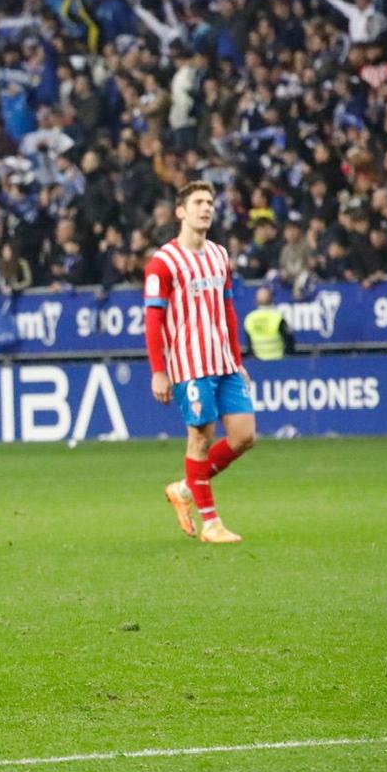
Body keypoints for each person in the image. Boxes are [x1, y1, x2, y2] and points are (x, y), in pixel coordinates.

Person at [149, 181, 256, 544]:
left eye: (209, 202)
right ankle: (212, 524)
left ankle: (185, 488)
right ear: (181, 211)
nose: (206, 208)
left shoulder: (219, 255)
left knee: (244, 435)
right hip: (189, 365)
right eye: (197, 202)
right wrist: (159, 370)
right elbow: (153, 320)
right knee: (200, 439)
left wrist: (238, 359)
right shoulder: (163, 262)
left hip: (224, 362)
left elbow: (227, 309)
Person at [241, 286, 298, 360]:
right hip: (278, 362)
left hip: (258, 363)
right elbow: (290, 342)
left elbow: (249, 346)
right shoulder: (277, 317)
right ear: (271, 299)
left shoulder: (250, 318)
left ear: (256, 301)